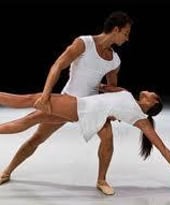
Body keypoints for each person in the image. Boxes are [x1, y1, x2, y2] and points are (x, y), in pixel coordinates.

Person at [0, 11, 133, 195]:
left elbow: (110, 89)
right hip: (67, 103)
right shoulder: (84, 43)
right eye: (126, 33)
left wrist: (116, 103)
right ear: (116, 29)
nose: (127, 38)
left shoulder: (115, 60)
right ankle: (6, 172)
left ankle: (101, 180)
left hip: (91, 108)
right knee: (37, 137)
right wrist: (45, 96)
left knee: (108, 139)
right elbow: (58, 65)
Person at [0, 86, 170, 193]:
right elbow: (101, 88)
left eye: (155, 95)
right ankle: (101, 180)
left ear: (153, 103)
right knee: (28, 120)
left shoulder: (142, 120)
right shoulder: (126, 93)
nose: (151, 91)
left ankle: (101, 180)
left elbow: (162, 147)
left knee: (30, 99)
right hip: (83, 109)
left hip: (80, 108)